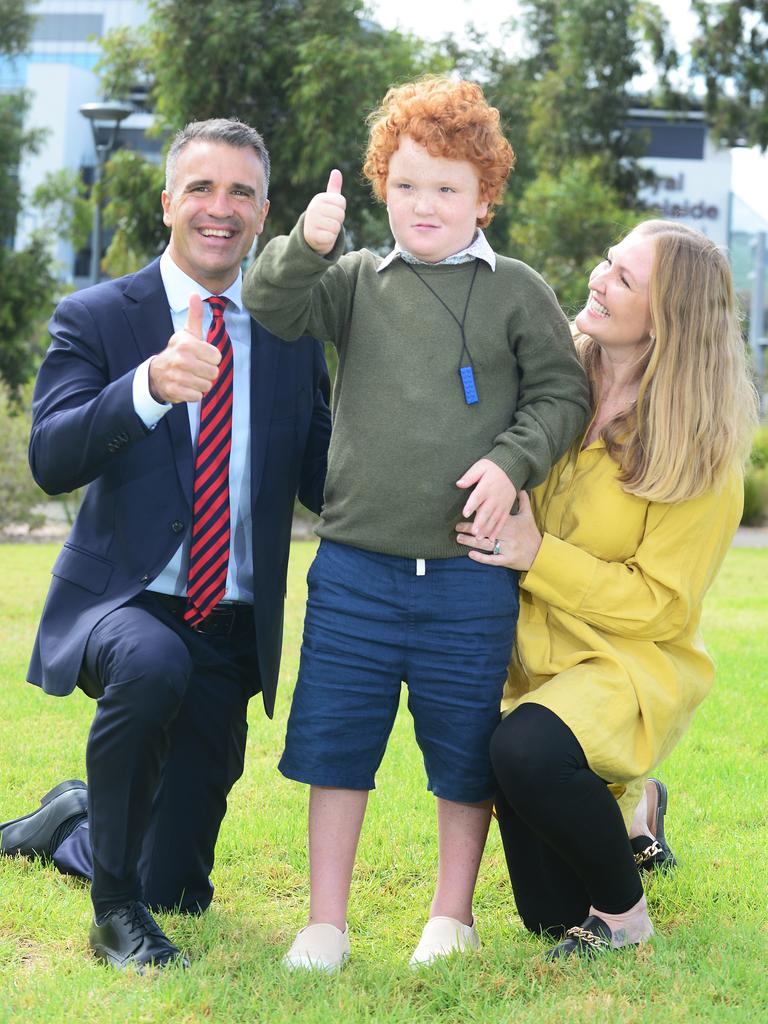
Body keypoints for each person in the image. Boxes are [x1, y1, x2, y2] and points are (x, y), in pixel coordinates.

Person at [242, 76, 591, 971]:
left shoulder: (517, 290)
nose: (423, 203)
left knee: (465, 750)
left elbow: (563, 392)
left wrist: (512, 461)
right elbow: (271, 306)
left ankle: (452, 915)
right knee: (333, 743)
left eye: (446, 187)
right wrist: (302, 245)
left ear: (484, 196)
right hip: (356, 566)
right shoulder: (354, 280)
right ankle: (325, 922)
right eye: (404, 184)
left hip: (472, 573)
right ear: (378, 188)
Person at [0, 118, 331, 971]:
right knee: (151, 666)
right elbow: (49, 457)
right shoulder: (99, 315)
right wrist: (145, 387)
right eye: (201, 189)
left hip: (230, 619)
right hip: (126, 604)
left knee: (176, 885)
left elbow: (325, 478)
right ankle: (113, 918)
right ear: (167, 204)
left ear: (265, 214)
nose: (219, 209)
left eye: (241, 193)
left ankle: (72, 820)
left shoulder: (292, 333)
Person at [456, 219, 758, 958]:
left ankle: (626, 919)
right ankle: (635, 809)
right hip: (531, 660)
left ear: (669, 322)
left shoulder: (702, 453)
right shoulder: (554, 376)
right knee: (548, 917)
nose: (597, 277)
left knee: (523, 748)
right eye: (607, 261)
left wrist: (537, 554)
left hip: (626, 665)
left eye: (624, 278)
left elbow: (663, 604)